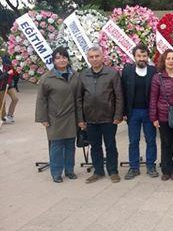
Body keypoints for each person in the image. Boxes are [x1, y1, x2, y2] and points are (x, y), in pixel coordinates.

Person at [77, 47, 124, 184]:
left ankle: (113, 171)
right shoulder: (83, 75)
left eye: (97, 56)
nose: (94, 59)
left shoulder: (112, 74)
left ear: (102, 57)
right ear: (88, 59)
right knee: (95, 146)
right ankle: (98, 171)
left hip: (108, 118)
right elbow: (79, 98)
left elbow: (119, 96)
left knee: (110, 146)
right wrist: (80, 119)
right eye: (91, 57)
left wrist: (118, 115)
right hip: (90, 119)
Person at [35, 47, 81, 183]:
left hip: (71, 117)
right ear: (53, 60)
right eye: (58, 58)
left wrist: (81, 118)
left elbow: (79, 97)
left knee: (70, 145)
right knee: (56, 146)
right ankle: (56, 172)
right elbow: (41, 99)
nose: (62, 60)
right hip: (55, 118)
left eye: (64, 57)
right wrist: (43, 118)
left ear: (68, 59)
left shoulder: (75, 75)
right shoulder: (47, 78)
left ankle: (70, 170)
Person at [121, 45, 158, 180]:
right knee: (133, 141)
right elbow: (123, 92)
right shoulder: (127, 71)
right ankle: (134, 167)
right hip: (133, 113)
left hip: (149, 112)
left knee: (151, 140)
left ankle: (151, 165)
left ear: (147, 57)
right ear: (134, 57)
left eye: (144, 56)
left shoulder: (153, 71)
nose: (142, 59)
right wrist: (124, 112)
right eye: (139, 56)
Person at [149, 49, 173, 181]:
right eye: (168, 58)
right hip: (163, 116)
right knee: (166, 143)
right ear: (163, 60)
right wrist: (154, 117)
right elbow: (153, 98)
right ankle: (166, 169)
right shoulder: (157, 78)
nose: (171, 61)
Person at [0, 55, 19, 123]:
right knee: (2, 103)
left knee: (15, 98)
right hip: (1, 87)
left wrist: (15, 71)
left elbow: (14, 73)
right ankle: (3, 118)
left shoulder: (7, 66)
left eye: (0, 59)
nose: (0, 60)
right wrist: (7, 73)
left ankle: (10, 115)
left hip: (9, 85)